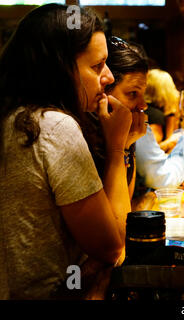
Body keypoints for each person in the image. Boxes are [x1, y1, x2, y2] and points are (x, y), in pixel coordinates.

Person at [0, 4, 133, 299]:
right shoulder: (52, 126)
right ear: (59, 67)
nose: (109, 77)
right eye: (97, 66)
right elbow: (113, 246)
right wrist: (117, 148)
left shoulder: (14, 118)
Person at [103, 36, 184, 198]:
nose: (143, 105)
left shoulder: (133, 123)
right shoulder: (77, 135)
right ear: (104, 90)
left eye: (143, 94)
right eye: (133, 93)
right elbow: (162, 177)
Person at [145, 69, 180, 151]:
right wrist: (172, 141)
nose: (176, 92)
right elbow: (149, 151)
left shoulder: (160, 112)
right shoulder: (155, 115)